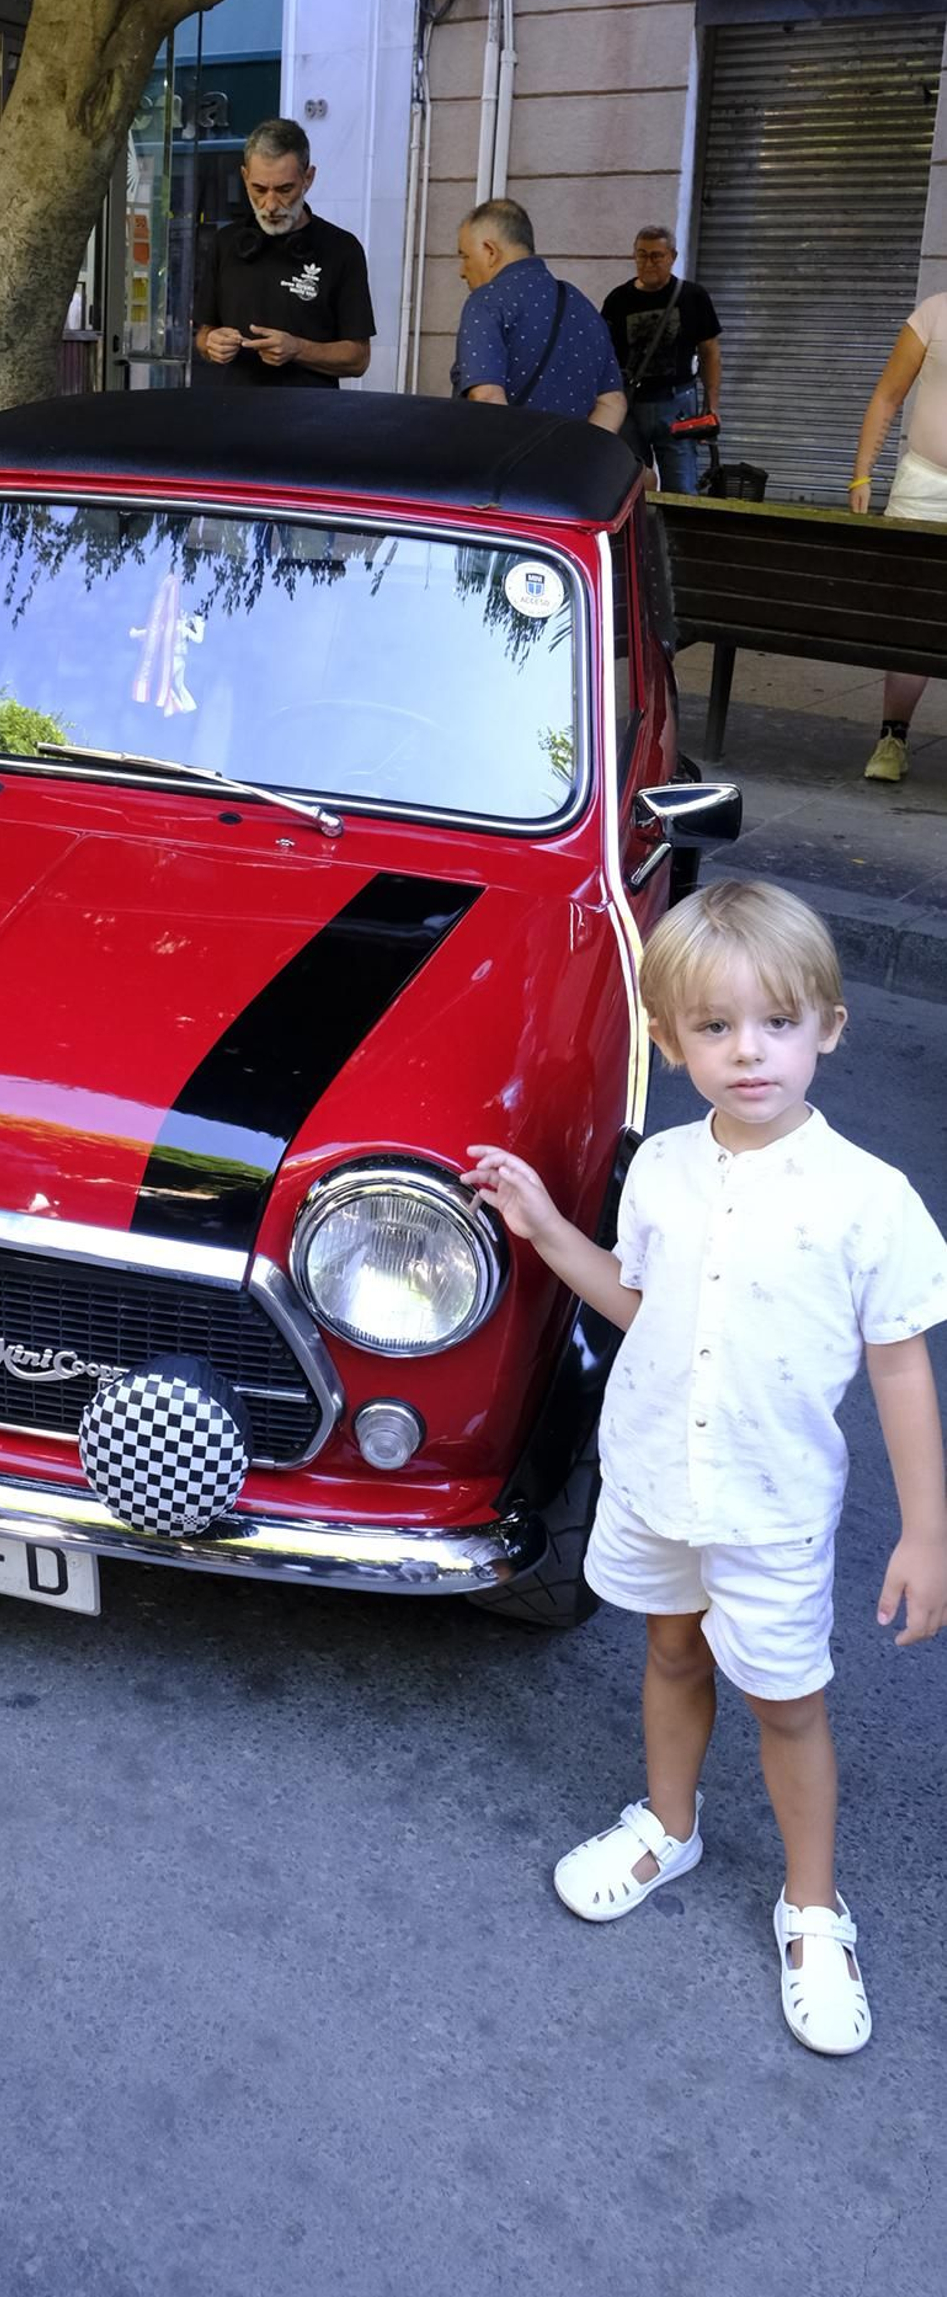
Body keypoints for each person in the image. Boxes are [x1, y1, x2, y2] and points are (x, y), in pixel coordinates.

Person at [464, 879, 947, 2059]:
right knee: (669, 1647)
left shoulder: (867, 1202)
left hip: (771, 1507)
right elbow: (639, 1302)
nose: (749, 1052)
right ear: (671, 1044)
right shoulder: (663, 1167)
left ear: (827, 1028)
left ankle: (812, 1904)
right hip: (652, 1474)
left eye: (776, 1022)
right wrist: (540, 1224)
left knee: (788, 1701)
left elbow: (898, 1371)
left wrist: (925, 1531)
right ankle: (667, 1822)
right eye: (715, 1028)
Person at [192, 119, 374, 387]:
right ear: (244, 177)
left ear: (308, 178)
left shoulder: (342, 249)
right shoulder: (225, 243)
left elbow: (358, 359)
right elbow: (203, 333)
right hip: (233, 414)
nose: (271, 204)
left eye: (284, 189)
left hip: (311, 419)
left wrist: (298, 349)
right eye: (259, 189)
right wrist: (210, 343)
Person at [848, 297, 947, 783]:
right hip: (923, 487)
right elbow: (888, 395)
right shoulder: (935, 313)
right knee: (913, 617)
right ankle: (893, 738)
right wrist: (861, 475)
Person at [452, 199, 627, 433]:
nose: (462, 271)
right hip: (570, 465)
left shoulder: (487, 301)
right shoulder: (584, 307)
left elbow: (486, 396)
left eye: (465, 256)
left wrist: (521, 462)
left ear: (490, 251)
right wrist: (582, 460)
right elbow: (613, 402)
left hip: (503, 464)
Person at [600, 225, 722, 493]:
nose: (648, 263)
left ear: (672, 257)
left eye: (657, 256)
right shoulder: (618, 300)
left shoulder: (693, 297)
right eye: (642, 255)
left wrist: (711, 403)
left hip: (677, 403)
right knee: (631, 488)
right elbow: (603, 356)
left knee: (682, 488)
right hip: (631, 405)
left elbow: (709, 351)